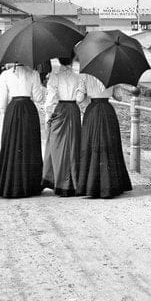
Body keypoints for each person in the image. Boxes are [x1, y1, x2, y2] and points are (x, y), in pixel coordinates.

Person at [0, 61, 45, 198]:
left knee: (12, 145)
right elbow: (38, 97)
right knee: (29, 145)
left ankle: (10, 183)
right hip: (28, 108)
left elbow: (2, 100)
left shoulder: (5, 75)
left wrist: (5, 114)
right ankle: (31, 184)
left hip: (13, 109)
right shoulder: (34, 74)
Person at [75, 74, 132, 199]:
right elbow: (119, 97)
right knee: (109, 145)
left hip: (93, 111)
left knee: (91, 145)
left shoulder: (86, 75)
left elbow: (79, 98)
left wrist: (80, 90)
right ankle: (111, 184)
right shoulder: (112, 73)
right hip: (107, 110)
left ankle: (90, 185)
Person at [42, 57, 86, 196]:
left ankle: (56, 180)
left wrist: (48, 118)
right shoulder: (78, 77)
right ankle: (72, 181)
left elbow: (50, 100)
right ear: (73, 59)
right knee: (73, 145)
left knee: (56, 146)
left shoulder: (54, 77)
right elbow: (80, 99)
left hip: (60, 109)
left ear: (59, 60)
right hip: (73, 110)